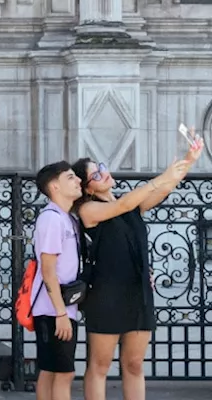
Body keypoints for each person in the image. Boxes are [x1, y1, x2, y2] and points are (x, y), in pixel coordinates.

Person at [73, 135, 201, 400]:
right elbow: (124, 204)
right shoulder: (89, 210)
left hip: (138, 290)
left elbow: (159, 192)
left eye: (102, 168)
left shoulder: (129, 204)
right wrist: (160, 177)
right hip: (106, 295)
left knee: (134, 364)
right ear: (87, 189)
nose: (104, 174)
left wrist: (187, 162)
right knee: (100, 365)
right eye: (96, 174)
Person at [29, 161, 87, 400]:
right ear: (55, 186)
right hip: (53, 310)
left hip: (59, 308)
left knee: (52, 371)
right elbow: (48, 270)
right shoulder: (52, 219)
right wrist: (61, 314)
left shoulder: (66, 218)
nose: (79, 181)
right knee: (63, 373)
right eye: (71, 177)